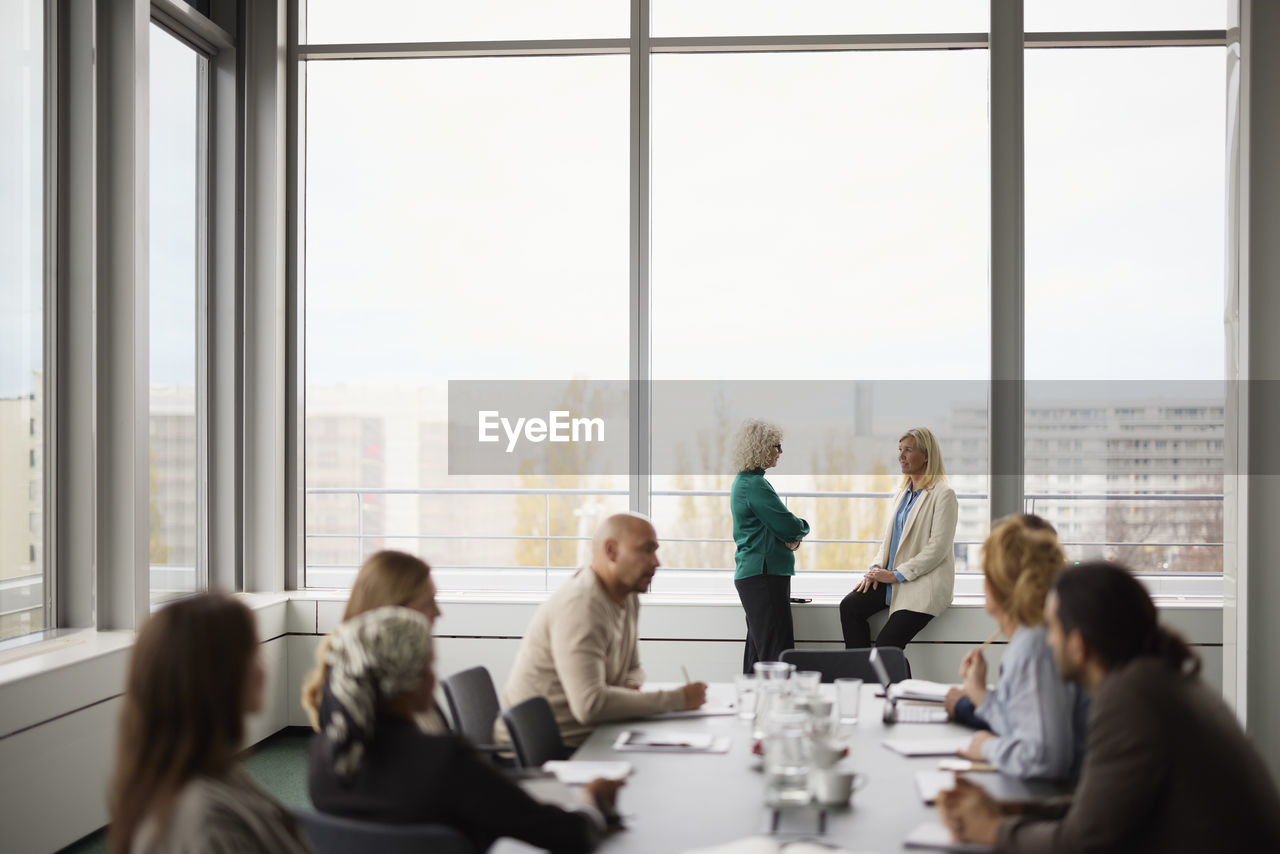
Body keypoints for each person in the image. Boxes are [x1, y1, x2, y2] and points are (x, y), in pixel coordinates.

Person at [937, 561, 1280, 853]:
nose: (1048, 639)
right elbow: (1105, 810)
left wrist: (992, 828)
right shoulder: (1163, 680)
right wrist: (1016, 810)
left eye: (1052, 628)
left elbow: (1080, 843)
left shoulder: (1129, 700)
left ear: (1079, 644)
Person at [309, 607, 618, 854]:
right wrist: (591, 802)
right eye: (430, 665)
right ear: (413, 679)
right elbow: (567, 836)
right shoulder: (445, 762)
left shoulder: (322, 756)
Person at [108, 593, 312, 854]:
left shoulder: (195, 782)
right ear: (219, 675)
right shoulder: (210, 824)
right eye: (253, 653)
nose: (263, 667)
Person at [499, 513, 707, 748]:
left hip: (594, 736)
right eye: (646, 550)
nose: (656, 562)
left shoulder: (627, 596)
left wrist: (621, 693)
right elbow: (590, 705)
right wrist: (678, 699)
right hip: (541, 752)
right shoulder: (581, 604)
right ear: (611, 551)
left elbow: (634, 669)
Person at [942, 514, 1087, 782]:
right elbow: (1025, 729)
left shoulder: (1035, 647)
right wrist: (980, 695)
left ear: (1003, 584)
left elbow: (1044, 759)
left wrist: (986, 747)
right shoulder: (1031, 637)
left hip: (1056, 802)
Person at [301, 549, 446, 734]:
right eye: (427, 604)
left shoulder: (397, 672)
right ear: (389, 611)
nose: (438, 613)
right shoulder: (356, 693)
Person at [839, 427, 957, 650]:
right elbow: (888, 540)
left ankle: (900, 686)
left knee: (887, 645)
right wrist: (874, 570)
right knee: (849, 607)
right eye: (900, 449)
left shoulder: (944, 494)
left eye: (908, 450)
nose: (900, 456)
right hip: (893, 579)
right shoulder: (902, 493)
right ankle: (862, 674)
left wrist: (895, 575)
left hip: (921, 584)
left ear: (926, 457)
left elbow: (938, 548)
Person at [729, 419, 811, 672]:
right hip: (764, 575)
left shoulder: (745, 482)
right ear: (761, 447)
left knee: (759, 652)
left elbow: (774, 527)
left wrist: (789, 537)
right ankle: (776, 709)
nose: (780, 452)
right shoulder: (755, 486)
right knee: (777, 654)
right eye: (776, 446)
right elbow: (789, 526)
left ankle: (753, 705)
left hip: (755, 574)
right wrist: (802, 528)